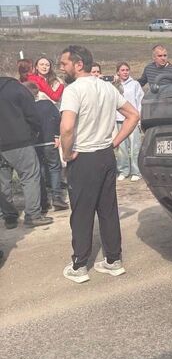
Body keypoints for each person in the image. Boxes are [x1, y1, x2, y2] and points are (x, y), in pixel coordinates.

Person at [58, 44, 139, 283]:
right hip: (105, 156)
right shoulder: (107, 87)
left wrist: (66, 151)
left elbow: (67, 126)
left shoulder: (73, 90)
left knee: (82, 212)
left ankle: (80, 264)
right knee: (108, 209)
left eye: (64, 63)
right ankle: (114, 260)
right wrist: (114, 142)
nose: (62, 68)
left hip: (83, 157)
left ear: (78, 64)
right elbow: (133, 115)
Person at [0, 75, 53, 228]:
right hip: (19, 140)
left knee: (3, 180)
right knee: (30, 176)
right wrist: (33, 132)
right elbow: (32, 115)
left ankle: (9, 216)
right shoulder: (17, 89)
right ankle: (33, 215)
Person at [23, 81, 68, 211]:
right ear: (37, 93)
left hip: (34, 143)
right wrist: (57, 135)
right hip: (49, 141)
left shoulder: (24, 108)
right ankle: (57, 198)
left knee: (39, 171)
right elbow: (58, 118)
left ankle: (43, 201)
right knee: (54, 168)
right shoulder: (47, 104)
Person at [113, 62, 144, 182]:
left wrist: (139, 117)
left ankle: (136, 171)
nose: (125, 72)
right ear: (118, 72)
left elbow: (140, 100)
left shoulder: (135, 84)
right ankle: (123, 170)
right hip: (119, 119)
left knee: (135, 146)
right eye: (122, 70)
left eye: (127, 70)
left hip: (132, 120)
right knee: (122, 148)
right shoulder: (114, 85)